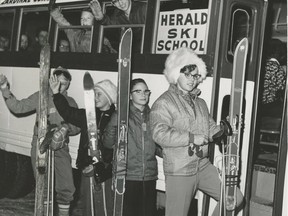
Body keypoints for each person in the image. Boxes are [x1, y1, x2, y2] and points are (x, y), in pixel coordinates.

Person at [149, 47, 244, 216]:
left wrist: (226, 129)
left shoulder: (200, 103)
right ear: (175, 74)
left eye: (195, 75)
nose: (192, 79)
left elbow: (211, 128)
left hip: (202, 165)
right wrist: (191, 138)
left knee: (233, 198)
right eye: (187, 74)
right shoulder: (164, 102)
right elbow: (159, 133)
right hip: (180, 169)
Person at [0, 67, 80, 216]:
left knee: (67, 185)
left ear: (68, 84)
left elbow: (77, 126)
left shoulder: (69, 102)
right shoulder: (41, 97)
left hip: (60, 147)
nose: (60, 86)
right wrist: (5, 88)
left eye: (64, 83)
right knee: (43, 185)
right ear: (51, 81)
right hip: (41, 144)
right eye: (58, 82)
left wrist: (65, 129)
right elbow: (18, 107)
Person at [49, 76, 117, 216]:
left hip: (105, 170)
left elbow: (114, 146)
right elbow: (68, 113)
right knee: (88, 206)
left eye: (99, 94)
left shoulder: (115, 117)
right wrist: (56, 94)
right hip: (87, 167)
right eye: (94, 94)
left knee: (104, 206)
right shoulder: (89, 114)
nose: (95, 97)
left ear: (109, 97)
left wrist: (101, 165)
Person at [103, 78, 158, 216]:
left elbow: (158, 147)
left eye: (146, 91)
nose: (143, 94)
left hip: (150, 175)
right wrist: (116, 119)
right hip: (128, 175)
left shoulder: (154, 116)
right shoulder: (122, 115)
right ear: (130, 95)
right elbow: (107, 143)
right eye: (138, 91)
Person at [49, 1, 116, 53]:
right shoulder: (76, 34)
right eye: (82, 18)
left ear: (94, 20)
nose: (84, 21)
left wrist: (105, 50)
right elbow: (64, 24)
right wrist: (54, 12)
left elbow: (112, 54)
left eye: (88, 18)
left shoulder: (101, 38)